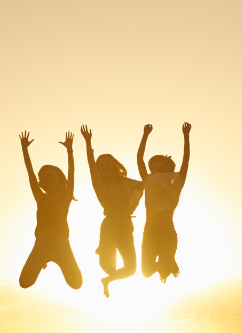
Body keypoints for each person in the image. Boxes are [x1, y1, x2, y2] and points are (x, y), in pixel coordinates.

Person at [80, 125, 145, 297]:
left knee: (131, 270)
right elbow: (90, 165)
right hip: (109, 225)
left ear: (114, 165)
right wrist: (88, 142)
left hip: (126, 226)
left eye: (109, 163)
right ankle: (102, 249)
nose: (106, 166)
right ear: (99, 168)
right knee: (108, 267)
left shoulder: (124, 181)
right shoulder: (99, 183)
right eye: (102, 164)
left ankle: (107, 280)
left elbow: (145, 184)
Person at [18, 131, 82, 289]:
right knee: (24, 283)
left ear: (60, 179)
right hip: (41, 244)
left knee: (76, 284)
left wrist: (70, 150)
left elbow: (71, 173)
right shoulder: (40, 197)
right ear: (44, 180)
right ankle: (43, 261)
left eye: (55, 176)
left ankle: (47, 261)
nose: (52, 179)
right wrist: (24, 149)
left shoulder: (65, 198)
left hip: (62, 244)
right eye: (49, 176)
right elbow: (30, 174)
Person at [136, 122, 191, 282]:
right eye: (153, 166)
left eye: (160, 166)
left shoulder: (176, 181)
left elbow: (186, 161)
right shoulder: (148, 180)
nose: (156, 168)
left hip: (167, 230)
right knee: (146, 273)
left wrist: (186, 136)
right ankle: (168, 259)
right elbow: (139, 158)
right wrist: (145, 135)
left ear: (167, 168)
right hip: (150, 230)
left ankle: (168, 261)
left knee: (165, 273)